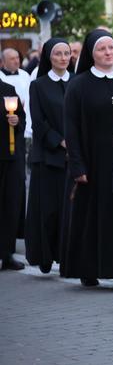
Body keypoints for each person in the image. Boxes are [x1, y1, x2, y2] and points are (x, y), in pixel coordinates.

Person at [60, 29, 113, 286]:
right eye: (101, 49)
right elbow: (70, 128)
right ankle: (89, 268)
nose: (107, 53)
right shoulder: (78, 85)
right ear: (90, 54)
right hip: (92, 163)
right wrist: (77, 165)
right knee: (92, 218)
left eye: (110, 47)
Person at [24, 38, 71, 274]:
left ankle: (65, 255)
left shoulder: (77, 83)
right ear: (48, 58)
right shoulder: (39, 85)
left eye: (67, 53)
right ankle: (44, 255)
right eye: (58, 54)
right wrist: (61, 141)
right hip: (48, 156)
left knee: (68, 210)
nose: (63, 58)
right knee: (48, 210)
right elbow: (38, 123)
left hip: (74, 157)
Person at [0, 80, 26, 270]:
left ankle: (6, 253)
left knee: (9, 205)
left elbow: (20, 118)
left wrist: (16, 121)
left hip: (8, 157)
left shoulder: (7, 90)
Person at [1, 48, 32, 139]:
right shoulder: (1, 77)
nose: (16, 61)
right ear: (3, 61)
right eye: (12, 59)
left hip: (25, 113)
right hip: (6, 118)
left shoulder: (25, 75)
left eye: (17, 58)